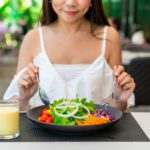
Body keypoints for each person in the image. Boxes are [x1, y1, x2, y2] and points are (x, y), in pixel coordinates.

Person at [3, 0, 135, 111]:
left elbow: (114, 110)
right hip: (42, 138)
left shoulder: (110, 37)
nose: (71, 3)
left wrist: (119, 100)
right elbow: (17, 107)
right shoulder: (33, 38)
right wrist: (23, 98)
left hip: (96, 138)